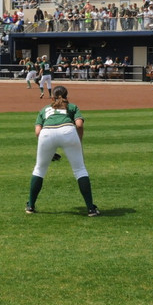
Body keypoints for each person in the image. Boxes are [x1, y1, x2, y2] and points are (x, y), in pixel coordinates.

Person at [25, 85, 99, 217]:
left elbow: (37, 132)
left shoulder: (44, 109)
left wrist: (49, 151)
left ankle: (30, 205)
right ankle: (90, 209)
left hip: (46, 134)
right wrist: (79, 140)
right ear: (66, 96)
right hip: (68, 131)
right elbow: (79, 124)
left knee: (39, 169)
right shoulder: (71, 107)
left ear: (52, 97)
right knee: (80, 170)